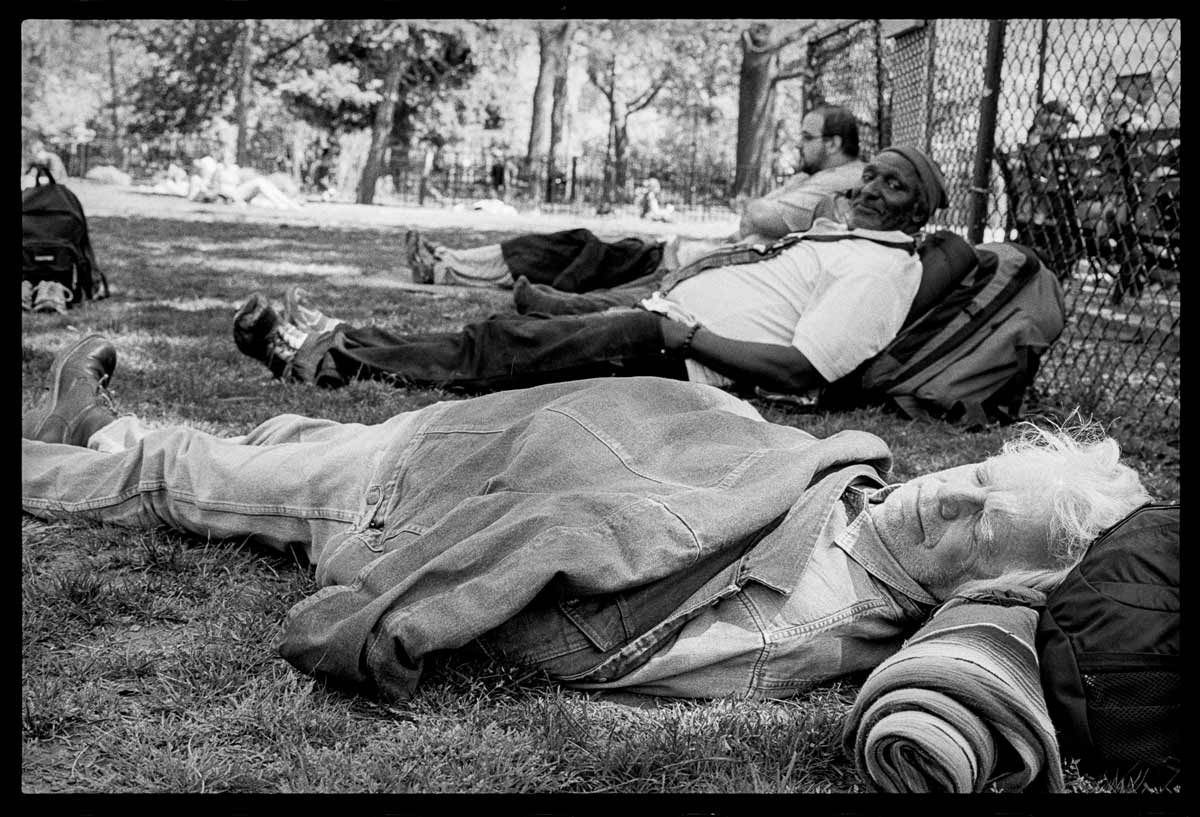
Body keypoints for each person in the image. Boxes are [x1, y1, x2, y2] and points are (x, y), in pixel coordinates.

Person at [22, 334, 1151, 702]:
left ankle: (101, 447)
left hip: (424, 493)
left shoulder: (802, 619)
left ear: (974, 588)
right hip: (486, 435)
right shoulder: (858, 486)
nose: (946, 491)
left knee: (201, 480)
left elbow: (599, 645)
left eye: (970, 524)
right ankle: (121, 434)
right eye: (981, 473)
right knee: (292, 442)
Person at [233, 144, 946, 399]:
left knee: (507, 347)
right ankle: (338, 338)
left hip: (685, 358)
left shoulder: (877, 274)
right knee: (507, 330)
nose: (864, 191)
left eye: (890, 188)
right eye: (868, 177)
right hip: (665, 320)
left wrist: (683, 334)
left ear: (920, 215)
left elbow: (803, 372)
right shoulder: (851, 239)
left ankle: (320, 356)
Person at [404, 105, 866, 290]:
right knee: (568, 249)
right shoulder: (822, 175)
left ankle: (447, 267)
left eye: (806, 137)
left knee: (572, 253)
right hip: (686, 255)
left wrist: (754, 211)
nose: (798, 145)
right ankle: (448, 264)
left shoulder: (839, 180)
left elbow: (763, 216)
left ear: (833, 142)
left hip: (687, 266)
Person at [1006, 100, 1085, 276]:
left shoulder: (1034, 144)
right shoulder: (1046, 146)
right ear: (1051, 122)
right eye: (1064, 124)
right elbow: (1056, 177)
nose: (1066, 129)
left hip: (1036, 202)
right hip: (1047, 202)